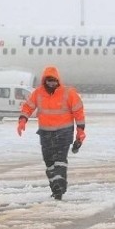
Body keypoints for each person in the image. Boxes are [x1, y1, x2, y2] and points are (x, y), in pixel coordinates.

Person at [16, 65, 86, 200]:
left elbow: (79, 113)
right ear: (44, 81)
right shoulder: (38, 93)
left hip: (64, 132)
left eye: (54, 81)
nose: (51, 83)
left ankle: (59, 187)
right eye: (49, 81)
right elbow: (28, 107)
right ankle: (56, 186)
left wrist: (80, 131)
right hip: (46, 133)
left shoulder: (68, 93)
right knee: (49, 162)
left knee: (60, 160)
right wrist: (22, 120)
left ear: (58, 80)